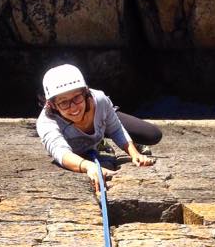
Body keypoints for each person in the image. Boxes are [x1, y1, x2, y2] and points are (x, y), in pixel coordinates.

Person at [36, 64, 162, 194]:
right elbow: (61, 153)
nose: (73, 107)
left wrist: (135, 154)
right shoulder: (46, 122)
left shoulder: (100, 100)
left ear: (85, 93)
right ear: (52, 105)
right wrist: (89, 166)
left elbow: (116, 128)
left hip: (101, 118)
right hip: (77, 144)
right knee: (82, 151)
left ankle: (102, 128)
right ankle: (99, 137)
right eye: (64, 102)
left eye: (77, 98)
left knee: (152, 134)